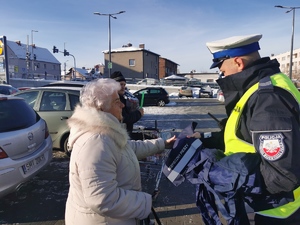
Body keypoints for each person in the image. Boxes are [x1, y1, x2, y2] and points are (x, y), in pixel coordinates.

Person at [189, 34, 300, 224]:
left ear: (238, 62)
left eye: (221, 67)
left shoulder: (267, 97)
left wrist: (228, 178)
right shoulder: (256, 89)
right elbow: (243, 136)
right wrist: (203, 138)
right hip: (274, 205)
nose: (221, 74)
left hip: (284, 210)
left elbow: (283, 174)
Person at [64, 78, 176, 225]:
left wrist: (163, 144)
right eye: (117, 101)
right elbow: (103, 199)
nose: (123, 104)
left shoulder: (104, 134)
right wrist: (144, 202)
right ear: (101, 107)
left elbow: (129, 149)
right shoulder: (95, 142)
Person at [110, 71, 144, 139]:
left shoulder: (121, 98)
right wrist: (139, 113)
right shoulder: (112, 100)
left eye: (124, 85)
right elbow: (124, 118)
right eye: (120, 84)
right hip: (118, 138)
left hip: (124, 136)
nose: (123, 87)